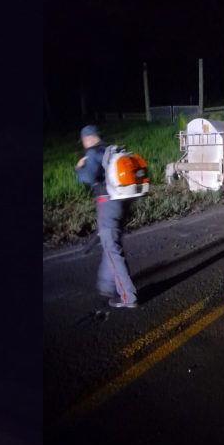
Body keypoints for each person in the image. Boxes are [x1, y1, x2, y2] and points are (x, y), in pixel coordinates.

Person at [75, 124, 138, 309]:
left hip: (107, 203)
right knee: (110, 243)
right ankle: (106, 286)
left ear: (88, 139)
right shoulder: (109, 150)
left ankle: (128, 297)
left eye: (84, 140)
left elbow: (88, 177)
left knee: (111, 249)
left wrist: (79, 168)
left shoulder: (93, 153)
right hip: (121, 201)